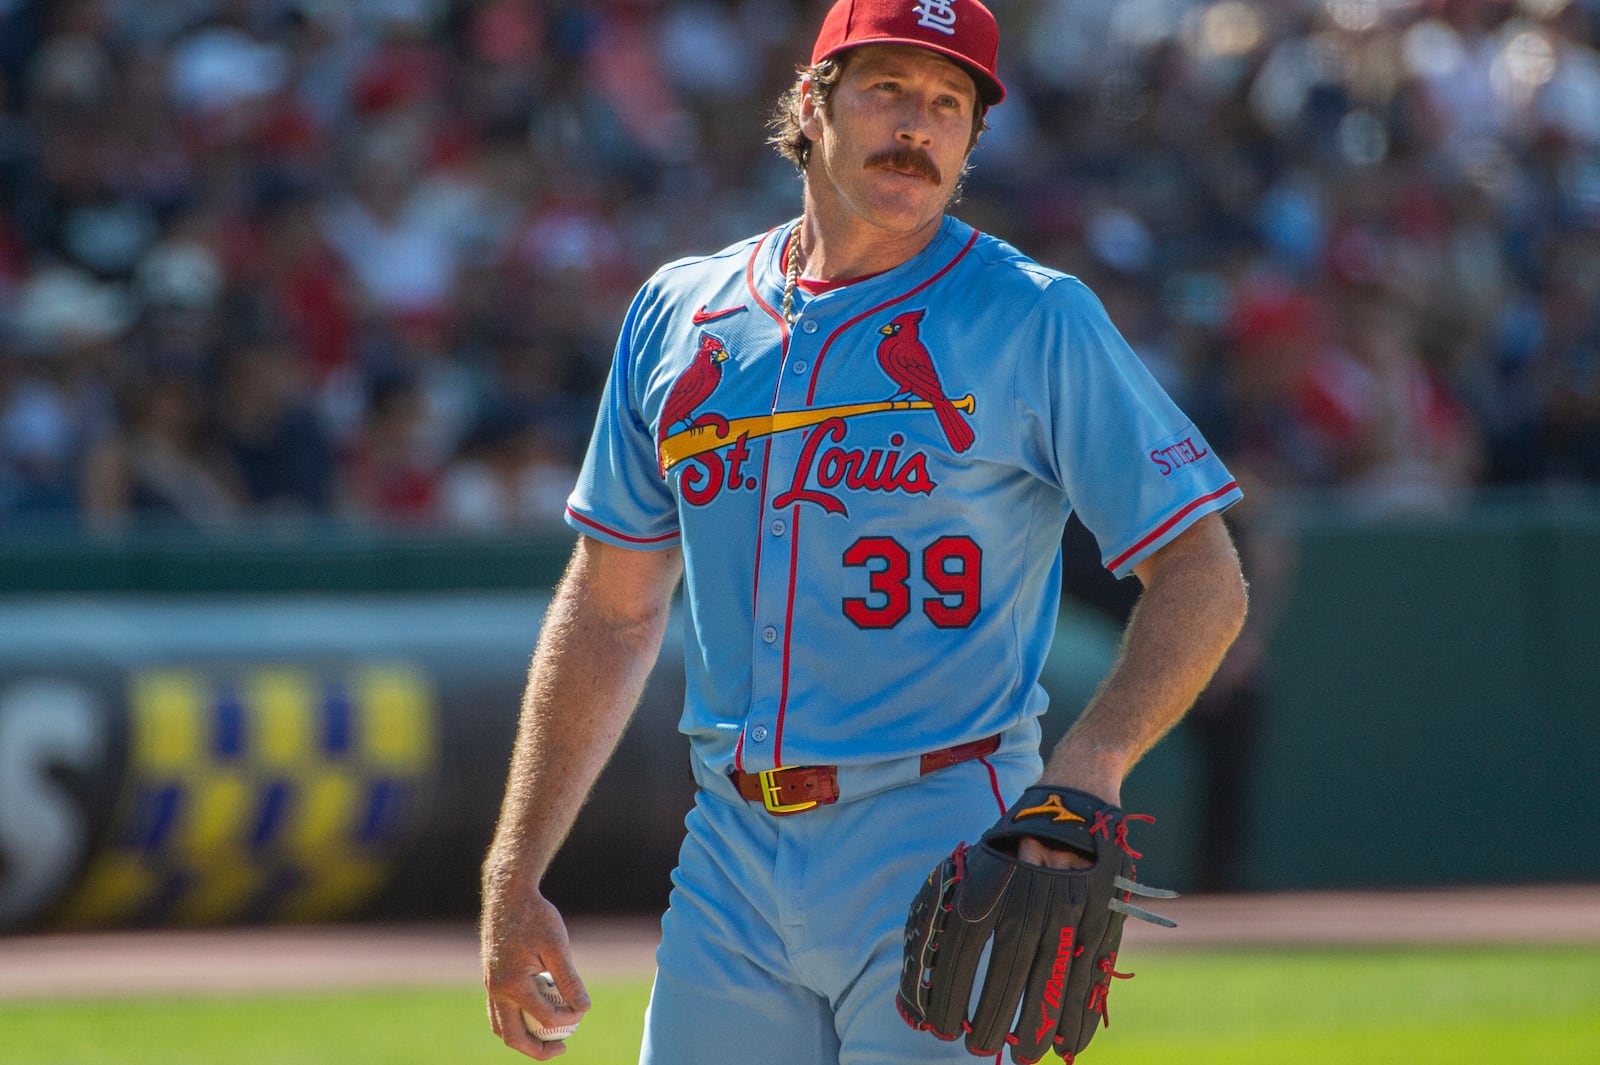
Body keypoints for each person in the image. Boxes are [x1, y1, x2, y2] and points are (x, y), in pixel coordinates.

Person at [480, 3, 1248, 1063]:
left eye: (949, 103)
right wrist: (513, 872)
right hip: (728, 851)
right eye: (886, 86)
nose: (917, 125)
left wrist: (1090, 763)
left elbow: (1203, 570)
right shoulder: (679, 311)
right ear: (812, 102)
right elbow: (611, 608)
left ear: (973, 138)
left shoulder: (1035, 315)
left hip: (942, 834)